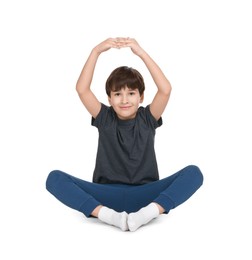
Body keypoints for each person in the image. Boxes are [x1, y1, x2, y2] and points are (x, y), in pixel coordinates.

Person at [46, 37, 203, 232]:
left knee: (194, 173)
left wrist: (141, 53)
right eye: (118, 94)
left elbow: (165, 89)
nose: (124, 99)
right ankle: (109, 217)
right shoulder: (105, 118)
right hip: (106, 195)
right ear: (110, 99)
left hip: (145, 196)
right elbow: (82, 89)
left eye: (131, 93)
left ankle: (148, 214)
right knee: (54, 178)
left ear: (141, 97)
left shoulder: (147, 118)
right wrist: (96, 51)